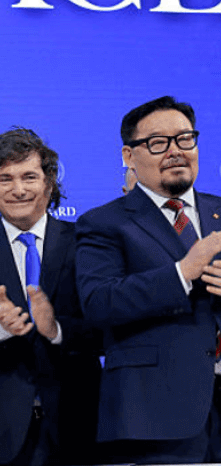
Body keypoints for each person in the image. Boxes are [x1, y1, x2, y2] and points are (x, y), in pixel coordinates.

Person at [0, 128, 100, 466]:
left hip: (79, 422)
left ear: (49, 183)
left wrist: (55, 328)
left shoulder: (86, 241)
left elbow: (107, 324)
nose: (18, 189)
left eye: (29, 176)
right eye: (5, 179)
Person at [76, 97, 221, 463]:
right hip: (157, 414)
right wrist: (182, 272)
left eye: (185, 139)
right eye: (158, 143)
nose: (175, 151)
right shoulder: (104, 223)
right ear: (129, 155)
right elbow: (98, 301)